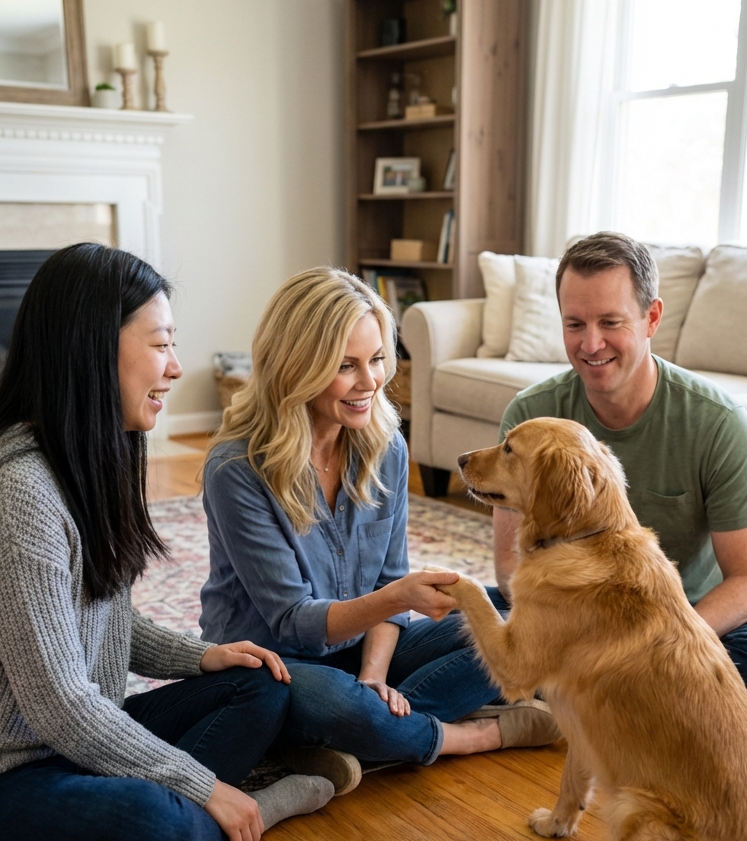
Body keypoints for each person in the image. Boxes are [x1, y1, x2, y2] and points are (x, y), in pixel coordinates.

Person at [0, 244, 335, 841]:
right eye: (161, 345)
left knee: (260, 684)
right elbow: (60, 703)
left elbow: (107, 616)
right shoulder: (20, 492)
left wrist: (202, 657)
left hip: (81, 742)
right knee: (154, 823)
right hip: (15, 774)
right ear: (94, 350)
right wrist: (202, 784)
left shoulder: (101, 451)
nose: (177, 368)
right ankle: (244, 813)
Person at [200, 266, 558, 777]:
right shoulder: (237, 469)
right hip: (272, 665)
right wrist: (398, 599)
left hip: (366, 651)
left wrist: (373, 674)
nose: (371, 382)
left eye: (377, 360)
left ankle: (361, 732)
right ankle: (471, 733)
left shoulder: (384, 443)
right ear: (295, 367)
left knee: (510, 611)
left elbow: (392, 578)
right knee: (328, 702)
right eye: (347, 366)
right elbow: (295, 622)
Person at [494, 231, 747, 708]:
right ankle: (634, 709)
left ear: (652, 318)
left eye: (610, 322)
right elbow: (509, 567)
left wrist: (655, 644)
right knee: (452, 626)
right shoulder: (531, 417)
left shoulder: (717, 421)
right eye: (575, 324)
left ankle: (579, 707)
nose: (591, 343)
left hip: (679, 625)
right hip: (568, 625)